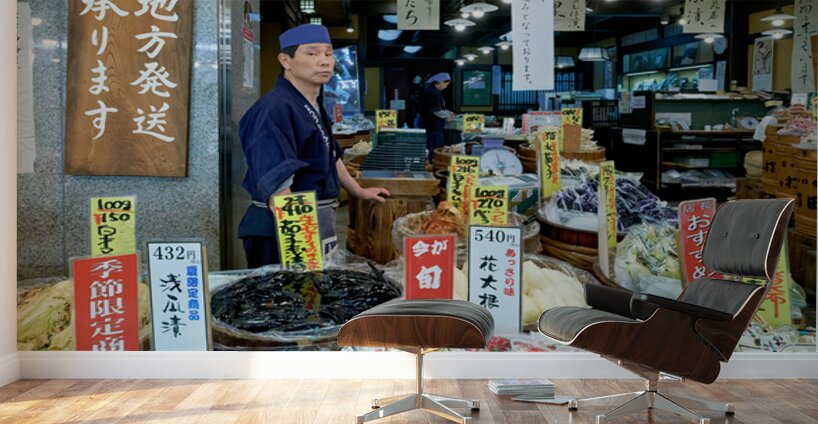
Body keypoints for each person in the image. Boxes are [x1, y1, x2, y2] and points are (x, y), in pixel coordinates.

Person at [237, 24, 390, 268]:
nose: (324, 61)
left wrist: (357, 190)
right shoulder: (274, 108)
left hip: (314, 219)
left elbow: (331, 154)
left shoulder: (313, 104)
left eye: (328, 54)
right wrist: (301, 244)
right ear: (285, 60)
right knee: (288, 301)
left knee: (314, 300)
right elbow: (276, 180)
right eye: (312, 53)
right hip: (284, 226)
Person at [420, 72, 455, 161]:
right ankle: (432, 163)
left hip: (432, 124)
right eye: (446, 84)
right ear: (440, 82)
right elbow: (435, 110)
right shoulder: (433, 93)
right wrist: (447, 116)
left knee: (432, 144)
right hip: (433, 125)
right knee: (437, 146)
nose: (446, 86)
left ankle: (430, 162)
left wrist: (448, 112)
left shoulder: (434, 91)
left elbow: (439, 108)